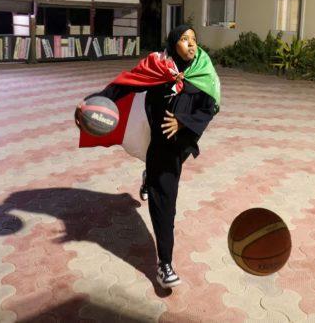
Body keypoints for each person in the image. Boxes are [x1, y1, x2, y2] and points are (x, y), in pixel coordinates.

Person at [76, 25, 220, 288]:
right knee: (166, 203)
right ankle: (165, 264)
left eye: (194, 40)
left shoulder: (204, 69)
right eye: (184, 39)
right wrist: (92, 101)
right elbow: (123, 86)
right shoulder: (156, 64)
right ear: (173, 42)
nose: (191, 44)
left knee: (161, 184)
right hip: (160, 148)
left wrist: (183, 123)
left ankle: (148, 176)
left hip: (183, 145)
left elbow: (210, 107)